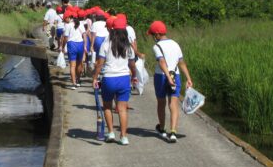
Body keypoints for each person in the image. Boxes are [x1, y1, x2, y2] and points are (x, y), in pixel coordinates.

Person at [91, 14, 137, 145]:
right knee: (122, 109)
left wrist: (95, 78)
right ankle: (123, 136)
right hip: (123, 79)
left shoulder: (106, 43)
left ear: (112, 30)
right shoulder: (128, 46)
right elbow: (132, 65)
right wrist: (134, 76)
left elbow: (100, 63)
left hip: (108, 79)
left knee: (107, 106)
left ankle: (110, 132)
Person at [147, 20, 193, 143]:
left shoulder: (157, 46)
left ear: (157, 34)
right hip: (175, 75)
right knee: (173, 103)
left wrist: (167, 77)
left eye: (152, 35)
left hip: (161, 77)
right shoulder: (175, 44)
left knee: (161, 102)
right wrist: (188, 78)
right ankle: (173, 132)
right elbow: (181, 62)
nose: (152, 37)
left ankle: (162, 129)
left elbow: (162, 62)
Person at [62, 9, 87, 88]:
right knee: (79, 64)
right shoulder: (80, 24)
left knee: (72, 66)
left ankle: (74, 84)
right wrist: (85, 45)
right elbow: (84, 36)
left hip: (71, 45)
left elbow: (65, 38)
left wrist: (63, 47)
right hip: (80, 44)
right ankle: (78, 80)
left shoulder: (68, 25)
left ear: (70, 17)